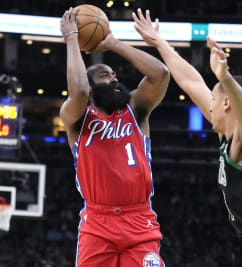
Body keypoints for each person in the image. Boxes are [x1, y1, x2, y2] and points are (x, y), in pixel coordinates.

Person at [132, 9, 242, 267]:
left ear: (227, 102)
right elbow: (191, 81)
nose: (209, 106)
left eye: (214, 100)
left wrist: (225, 77)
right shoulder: (226, 132)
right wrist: (159, 42)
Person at [60, 7, 170, 267]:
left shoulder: (136, 109)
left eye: (114, 74)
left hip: (139, 220)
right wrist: (72, 38)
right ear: (92, 88)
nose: (114, 78)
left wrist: (113, 43)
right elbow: (78, 90)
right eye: (104, 75)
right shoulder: (77, 118)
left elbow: (160, 74)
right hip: (97, 223)